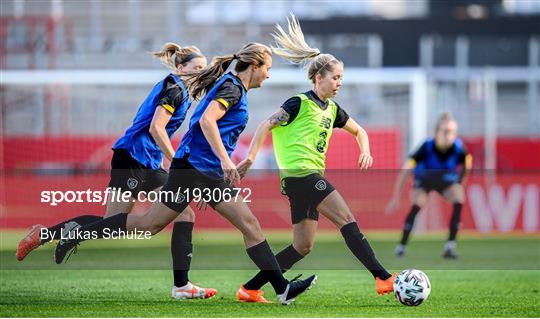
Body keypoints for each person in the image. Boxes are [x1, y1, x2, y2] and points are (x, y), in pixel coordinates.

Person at [52, 42, 317, 305]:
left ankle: (282, 289)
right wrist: (225, 162)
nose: (268, 75)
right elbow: (205, 121)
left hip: (199, 171)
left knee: (153, 224)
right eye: (267, 68)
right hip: (195, 169)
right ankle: (282, 289)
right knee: (238, 225)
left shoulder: (232, 86)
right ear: (255, 66)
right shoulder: (231, 87)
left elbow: (202, 125)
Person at [16, 42, 217, 299]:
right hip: (133, 157)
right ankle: (51, 235)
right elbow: (157, 128)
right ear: (180, 67)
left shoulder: (180, 90)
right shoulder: (174, 89)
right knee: (113, 223)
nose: (200, 72)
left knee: (183, 214)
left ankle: (181, 286)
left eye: (203, 68)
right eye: (195, 67)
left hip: (148, 161)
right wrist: (176, 161)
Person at [234, 15, 396, 303]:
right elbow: (265, 124)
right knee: (346, 218)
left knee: (302, 245)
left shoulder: (332, 110)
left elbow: (359, 131)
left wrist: (366, 150)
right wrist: (250, 158)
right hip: (302, 176)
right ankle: (382, 277)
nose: (339, 83)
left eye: (341, 78)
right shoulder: (299, 102)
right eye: (335, 77)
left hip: (305, 179)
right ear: (318, 77)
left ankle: (250, 288)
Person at [386, 112, 472, 259]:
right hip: (423, 180)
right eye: (446, 132)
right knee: (417, 205)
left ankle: (450, 246)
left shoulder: (458, 148)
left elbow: (468, 162)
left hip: (445, 180)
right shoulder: (426, 147)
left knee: (459, 198)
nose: (450, 136)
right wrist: (395, 198)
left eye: (453, 132)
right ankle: (401, 246)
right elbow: (405, 170)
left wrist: (461, 181)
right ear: (436, 133)